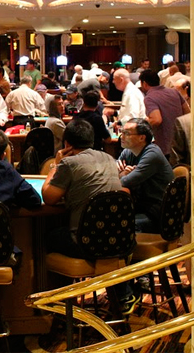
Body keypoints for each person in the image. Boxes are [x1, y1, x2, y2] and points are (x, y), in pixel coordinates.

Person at [41, 120, 138, 313]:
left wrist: (55, 165)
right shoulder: (109, 159)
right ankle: (122, 293)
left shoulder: (68, 163)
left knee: (44, 238)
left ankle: (59, 306)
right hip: (119, 240)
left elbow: (49, 197)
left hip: (85, 243)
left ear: (67, 144)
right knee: (99, 238)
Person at [117, 118, 175, 233]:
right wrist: (122, 173)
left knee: (121, 224)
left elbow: (125, 182)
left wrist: (121, 175)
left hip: (157, 212)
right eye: (121, 131)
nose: (121, 136)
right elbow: (113, 173)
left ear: (141, 138)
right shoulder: (129, 151)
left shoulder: (152, 154)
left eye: (126, 133)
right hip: (140, 206)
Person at [139, 69, 190, 157]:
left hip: (165, 145)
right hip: (182, 140)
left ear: (144, 83)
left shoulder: (149, 98)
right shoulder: (174, 92)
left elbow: (156, 120)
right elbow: (188, 112)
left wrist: (143, 123)